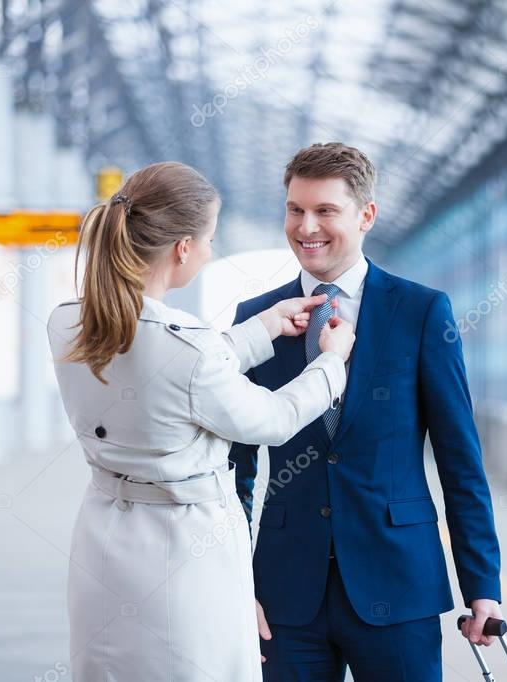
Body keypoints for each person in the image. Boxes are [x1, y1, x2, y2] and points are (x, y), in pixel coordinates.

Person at [46, 161, 355, 681]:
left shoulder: (68, 322)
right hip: (184, 551)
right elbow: (271, 419)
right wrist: (331, 362)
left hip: (104, 538)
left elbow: (166, 373)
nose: (210, 251)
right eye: (209, 238)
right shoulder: (186, 347)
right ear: (183, 248)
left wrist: (261, 328)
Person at [229, 142, 503, 681]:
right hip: (283, 595)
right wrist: (235, 584)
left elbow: (459, 460)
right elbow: (234, 467)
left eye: (325, 210)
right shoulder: (255, 319)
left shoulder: (422, 311)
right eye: (295, 209)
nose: (306, 226)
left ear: (366, 215)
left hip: (399, 584)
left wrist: (483, 586)